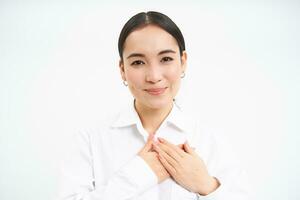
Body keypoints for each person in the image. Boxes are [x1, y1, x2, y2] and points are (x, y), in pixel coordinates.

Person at [57, 11, 249, 200]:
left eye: (166, 59)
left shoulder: (209, 138)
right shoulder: (90, 140)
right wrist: (139, 174)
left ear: (183, 62)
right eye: (138, 62)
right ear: (122, 70)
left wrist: (207, 186)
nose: (154, 76)